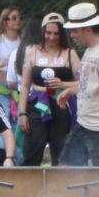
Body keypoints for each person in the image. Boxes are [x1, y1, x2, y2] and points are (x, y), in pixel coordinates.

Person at [58, 2, 99, 166]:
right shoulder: (90, 50)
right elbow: (88, 85)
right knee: (66, 167)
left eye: (75, 30)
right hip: (83, 124)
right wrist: (69, 91)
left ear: (87, 29)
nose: (72, 35)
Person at [18, 12, 80, 166]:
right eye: (48, 33)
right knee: (32, 149)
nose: (52, 37)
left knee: (61, 151)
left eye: (56, 34)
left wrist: (63, 84)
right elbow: (25, 86)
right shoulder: (32, 51)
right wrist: (22, 113)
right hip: (38, 103)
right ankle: (30, 186)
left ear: (62, 34)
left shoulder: (70, 54)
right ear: (43, 32)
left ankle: (59, 187)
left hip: (61, 103)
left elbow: (84, 84)